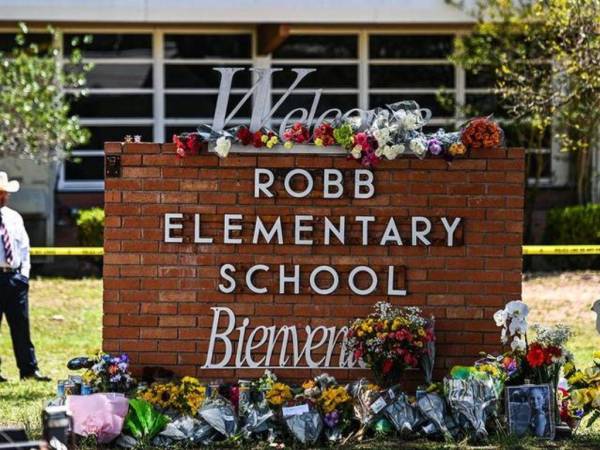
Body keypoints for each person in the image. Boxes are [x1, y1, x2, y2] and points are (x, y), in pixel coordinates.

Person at [0, 171, 50, 382]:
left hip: (14, 278)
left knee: (21, 325)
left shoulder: (13, 217)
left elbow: (24, 248)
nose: (4, 197)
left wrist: (24, 275)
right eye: (1, 193)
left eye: (5, 193)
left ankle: (28, 369)